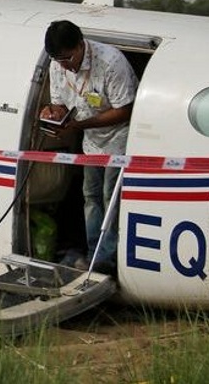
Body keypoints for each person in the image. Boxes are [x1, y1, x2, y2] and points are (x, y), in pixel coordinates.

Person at [40, 20, 137, 274]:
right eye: (59, 60)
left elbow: (125, 110)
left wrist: (81, 125)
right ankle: (96, 252)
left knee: (110, 198)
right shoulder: (57, 65)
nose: (65, 66)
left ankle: (108, 259)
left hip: (119, 140)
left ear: (81, 45)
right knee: (91, 198)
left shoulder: (111, 63)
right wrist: (53, 113)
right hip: (90, 143)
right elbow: (60, 102)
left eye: (68, 59)